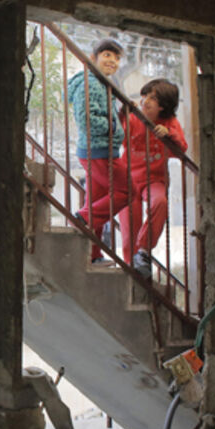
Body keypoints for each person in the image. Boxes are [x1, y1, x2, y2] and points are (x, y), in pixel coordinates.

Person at [114, 78, 188, 277]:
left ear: (163, 106)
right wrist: (123, 113)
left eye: (153, 98)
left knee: (159, 202)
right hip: (128, 180)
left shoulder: (170, 123)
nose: (146, 101)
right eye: (145, 95)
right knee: (129, 230)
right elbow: (118, 136)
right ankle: (133, 270)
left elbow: (181, 150)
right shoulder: (134, 118)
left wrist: (169, 135)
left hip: (154, 179)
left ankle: (144, 251)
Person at [68, 38, 126, 262]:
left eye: (117, 57)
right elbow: (87, 120)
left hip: (100, 150)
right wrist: (113, 126)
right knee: (126, 191)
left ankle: (92, 254)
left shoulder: (101, 83)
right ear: (93, 58)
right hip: (99, 151)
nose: (113, 61)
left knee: (97, 202)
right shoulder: (90, 83)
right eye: (107, 55)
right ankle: (81, 218)